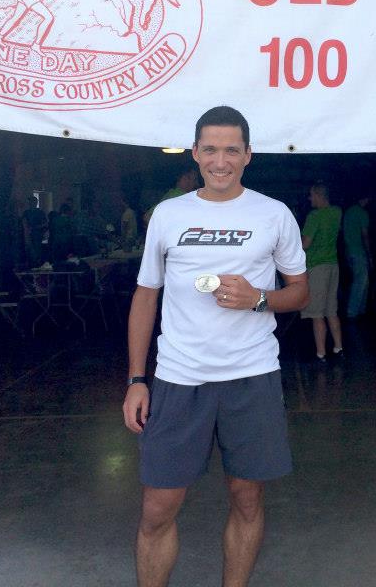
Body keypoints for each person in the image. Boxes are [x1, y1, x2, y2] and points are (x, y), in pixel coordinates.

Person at [122, 106, 309, 587]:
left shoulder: (274, 214)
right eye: (210, 149)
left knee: (247, 499)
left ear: (248, 155)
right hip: (179, 379)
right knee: (157, 508)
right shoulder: (168, 215)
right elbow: (146, 296)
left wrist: (259, 298)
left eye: (231, 150)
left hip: (252, 377)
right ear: (195, 153)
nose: (220, 161)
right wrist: (136, 379)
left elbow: (300, 292)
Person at [301, 184, 343, 362]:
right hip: (333, 265)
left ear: (319, 195)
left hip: (316, 266)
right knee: (331, 311)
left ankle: (320, 354)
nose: (310, 199)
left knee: (317, 313)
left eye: (311, 195)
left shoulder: (314, 216)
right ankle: (338, 348)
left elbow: (305, 244)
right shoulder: (337, 212)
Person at [343, 195, 372, 319]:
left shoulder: (348, 212)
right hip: (359, 251)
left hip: (349, 251)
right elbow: (365, 235)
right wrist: (370, 254)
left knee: (363, 281)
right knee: (360, 281)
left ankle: (361, 310)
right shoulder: (362, 213)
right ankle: (352, 311)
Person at [22, 196, 48, 266]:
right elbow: (23, 224)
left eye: (33, 202)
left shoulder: (40, 212)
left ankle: (37, 265)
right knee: (29, 252)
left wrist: (35, 228)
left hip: (37, 236)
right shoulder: (26, 213)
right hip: (28, 236)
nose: (31, 203)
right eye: (30, 202)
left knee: (37, 252)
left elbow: (45, 224)